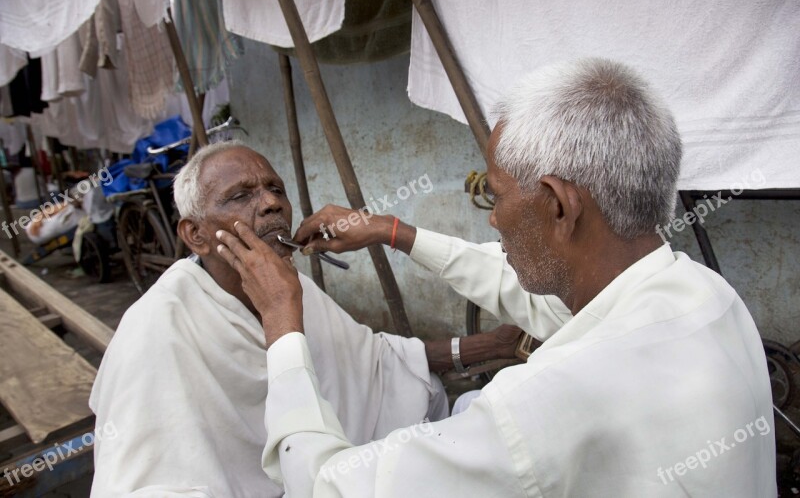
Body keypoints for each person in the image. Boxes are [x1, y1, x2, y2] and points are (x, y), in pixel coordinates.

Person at [216, 58, 776, 497]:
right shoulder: (710, 297)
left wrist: (284, 328)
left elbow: (324, 487)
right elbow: (539, 299)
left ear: (558, 204)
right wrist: (393, 232)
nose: (493, 217)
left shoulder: (541, 402)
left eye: (497, 194)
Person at [89, 143, 522, 497]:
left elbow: (375, 362)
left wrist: (494, 345)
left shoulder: (291, 287)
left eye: (275, 188)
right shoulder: (156, 331)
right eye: (241, 196)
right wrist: (280, 313)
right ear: (195, 235)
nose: (272, 203)